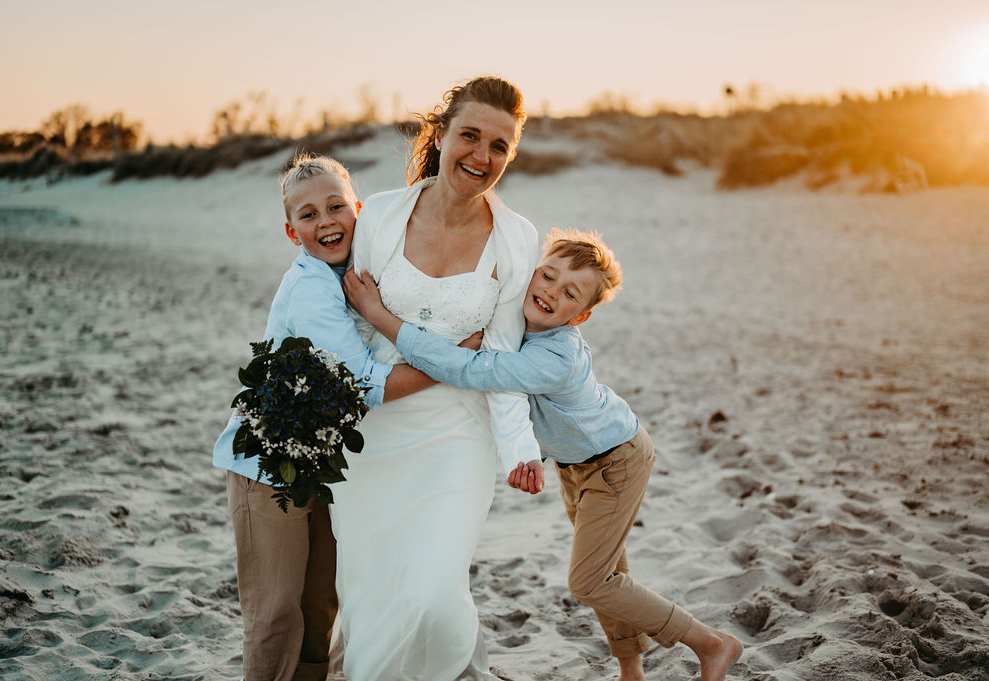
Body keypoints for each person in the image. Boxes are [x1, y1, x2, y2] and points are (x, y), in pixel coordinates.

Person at [344, 227, 745, 681]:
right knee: (611, 571)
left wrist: (379, 316)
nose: (551, 292)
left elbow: (473, 370)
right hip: (577, 466)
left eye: (569, 292)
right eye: (547, 276)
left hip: (617, 462)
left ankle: (711, 644)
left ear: (581, 316)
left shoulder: (555, 357)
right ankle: (632, 673)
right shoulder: (517, 323)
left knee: (591, 581)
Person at [328, 76, 543, 681]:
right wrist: (446, 353)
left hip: (459, 438)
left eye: (499, 146)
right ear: (440, 134)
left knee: (433, 597)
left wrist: (519, 450)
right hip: (373, 439)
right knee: (372, 599)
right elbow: (354, 338)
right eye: (469, 136)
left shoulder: (516, 239)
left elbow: (499, 364)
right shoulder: (381, 218)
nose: (482, 156)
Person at [212, 155, 447, 681]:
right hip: (264, 466)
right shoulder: (313, 288)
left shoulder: (361, 275)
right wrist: (453, 363)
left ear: (357, 208)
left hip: (322, 463)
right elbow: (362, 383)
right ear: (292, 231)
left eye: (336, 206)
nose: (326, 222)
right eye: (309, 215)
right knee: (274, 610)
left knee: (321, 603)